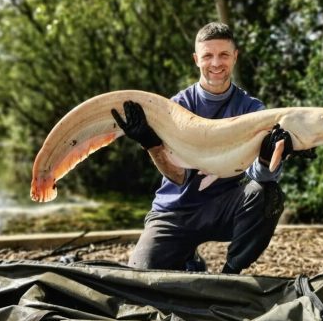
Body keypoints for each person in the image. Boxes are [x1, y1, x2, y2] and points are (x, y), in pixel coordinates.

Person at [112, 22, 310, 274]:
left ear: (235, 57)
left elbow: (263, 179)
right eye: (208, 55)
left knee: (267, 194)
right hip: (174, 211)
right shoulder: (175, 107)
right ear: (196, 59)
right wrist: (150, 143)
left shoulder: (253, 109)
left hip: (223, 208)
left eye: (224, 55)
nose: (216, 63)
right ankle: (186, 255)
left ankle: (230, 274)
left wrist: (267, 158)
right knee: (140, 278)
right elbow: (178, 176)